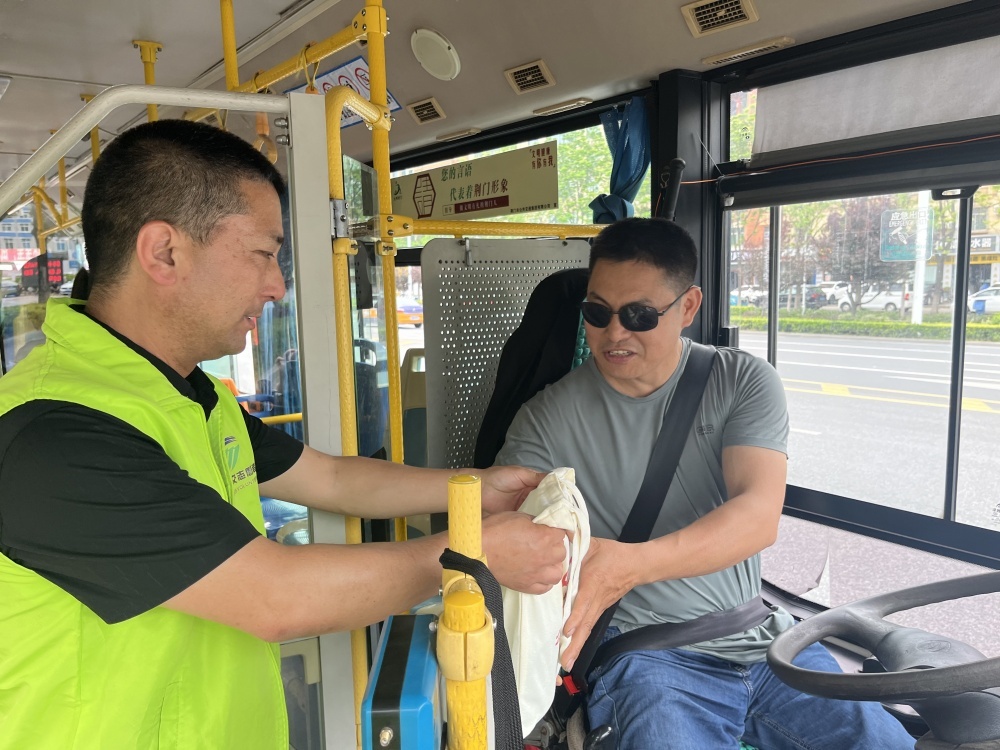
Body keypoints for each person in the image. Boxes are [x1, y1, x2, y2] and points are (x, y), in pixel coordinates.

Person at [0, 119, 567, 750]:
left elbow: (332, 478)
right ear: (163, 252)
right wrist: (474, 558)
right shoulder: (56, 435)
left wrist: (478, 488)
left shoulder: (189, 396)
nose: (277, 286)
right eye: (263, 254)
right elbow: (274, 598)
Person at [495, 218, 915, 749]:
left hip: (762, 637)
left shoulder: (740, 381)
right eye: (597, 313)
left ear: (688, 307)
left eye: (639, 315)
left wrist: (629, 565)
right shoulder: (546, 420)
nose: (614, 333)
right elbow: (506, 536)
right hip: (649, 653)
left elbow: (757, 516)